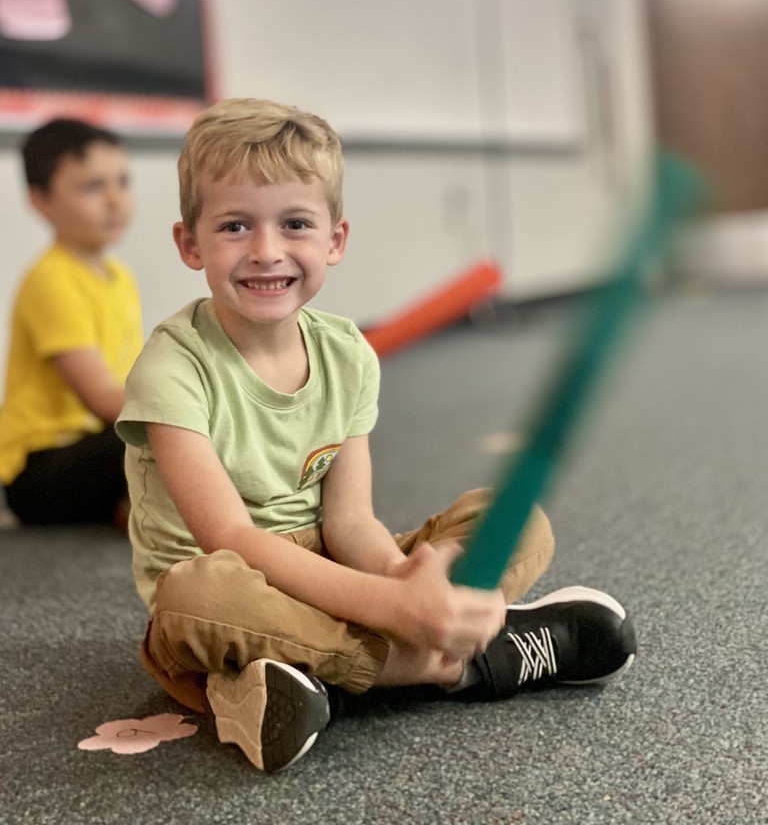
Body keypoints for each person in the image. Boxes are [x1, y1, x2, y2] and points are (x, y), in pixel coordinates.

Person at [116, 98, 636, 774]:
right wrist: (396, 607)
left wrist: (402, 579)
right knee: (198, 599)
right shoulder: (171, 367)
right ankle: (457, 663)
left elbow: (349, 521)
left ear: (335, 239)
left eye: (295, 224)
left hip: (333, 561)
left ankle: (318, 680)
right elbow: (231, 538)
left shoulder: (347, 353)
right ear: (191, 244)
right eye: (235, 226)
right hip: (229, 588)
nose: (267, 251)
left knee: (514, 522)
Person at [0, 117, 142, 527]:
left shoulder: (120, 278)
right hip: (37, 470)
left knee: (160, 438)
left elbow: (131, 381)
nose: (115, 201)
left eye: (122, 182)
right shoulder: (51, 279)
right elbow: (102, 398)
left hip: (90, 447)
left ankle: (137, 508)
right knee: (150, 439)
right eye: (93, 187)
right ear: (41, 201)